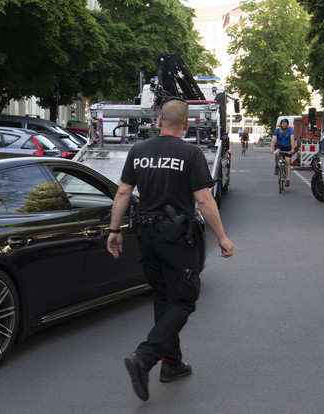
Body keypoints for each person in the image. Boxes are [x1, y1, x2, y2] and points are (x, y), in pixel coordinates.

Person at [107, 99, 234, 402]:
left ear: (159, 120)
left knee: (163, 298)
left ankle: (172, 365)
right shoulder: (190, 153)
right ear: (186, 124)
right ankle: (145, 356)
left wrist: (114, 231)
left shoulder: (138, 150)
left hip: (146, 236)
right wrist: (222, 238)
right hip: (176, 238)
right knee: (185, 298)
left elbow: (123, 192)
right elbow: (203, 200)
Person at [271, 118, 296, 186]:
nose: (284, 125)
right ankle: (277, 166)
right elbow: (273, 140)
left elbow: (292, 139)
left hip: (288, 147)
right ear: (281, 124)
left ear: (287, 125)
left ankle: (288, 179)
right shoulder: (277, 131)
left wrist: (292, 149)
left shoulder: (290, 131)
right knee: (277, 153)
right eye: (283, 124)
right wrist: (271, 149)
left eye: (285, 124)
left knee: (288, 162)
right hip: (279, 146)